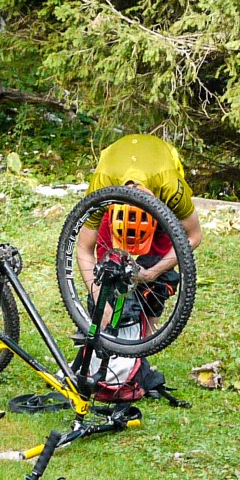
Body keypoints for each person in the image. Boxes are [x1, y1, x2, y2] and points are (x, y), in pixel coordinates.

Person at [75, 134, 204, 399]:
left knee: (157, 275)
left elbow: (193, 236)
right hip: (115, 179)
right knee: (109, 271)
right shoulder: (103, 186)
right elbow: (83, 248)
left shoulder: (171, 188)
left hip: (159, 188)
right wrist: (98, 295)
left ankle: (142, 346)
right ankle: (112, 350)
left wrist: (153, 273)